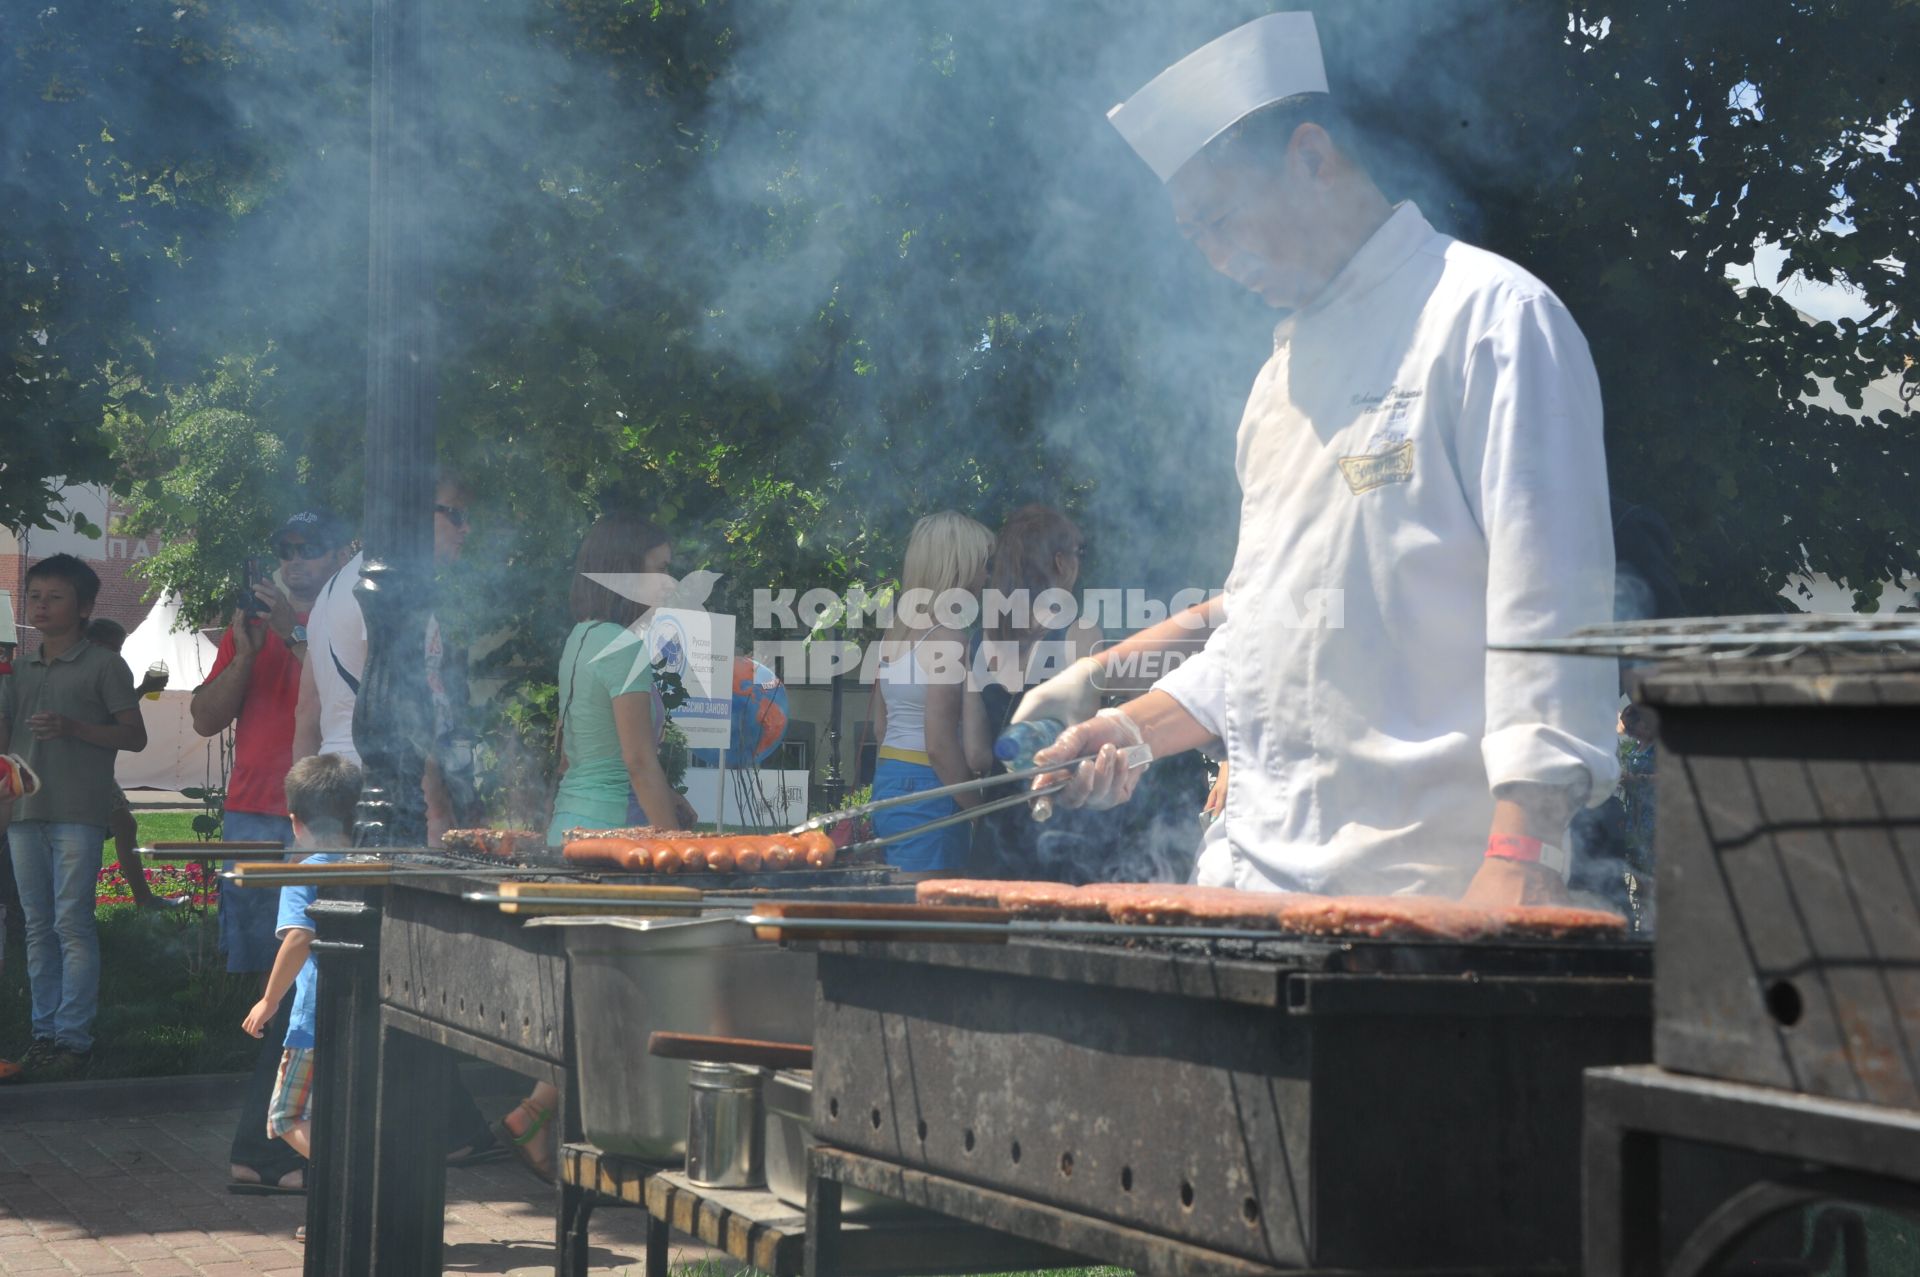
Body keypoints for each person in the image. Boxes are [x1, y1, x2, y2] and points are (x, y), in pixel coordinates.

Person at [1041, 13, 1619, 906]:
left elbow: (1551, 604)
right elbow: (1266, 635)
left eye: (1224, 220)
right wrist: (1125, 725)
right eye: (1197, 237)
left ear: (1312, 157)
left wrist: (1525, 853)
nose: (1220, 261)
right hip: (1247, 885)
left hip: (1422, 896)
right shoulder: (1276, 387)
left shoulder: (1490, 318)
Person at [191, 510, 354, 1193]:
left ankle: (268, 1146)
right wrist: (249, 649)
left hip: (309, 818)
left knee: (309, 983)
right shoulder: (260, 629)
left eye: (308, 549)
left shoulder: (336, 618)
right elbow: (204, 715)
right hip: (265, 817)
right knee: (284, 982)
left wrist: (291, 626)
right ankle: (267, 1148)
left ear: (339, 553)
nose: (294, 560)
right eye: (284, 549)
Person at [0, 554, 149, 1081]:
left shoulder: (105, 665)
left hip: (79, 813)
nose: (40, 605)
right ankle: (44, 1035)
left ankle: (75, 1039)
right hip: (24, 813)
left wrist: (73, 726)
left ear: (85, 607)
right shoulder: (17, 667)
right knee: (39, 927)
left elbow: (135, 736)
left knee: (72, 924)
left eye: (54, 596)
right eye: (34, 596)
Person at [293, 474, 469, 844]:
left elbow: (306, 713)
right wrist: (436, 811)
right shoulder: (392, 586)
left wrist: (304, 815)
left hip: (335, 790)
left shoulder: (333, 588)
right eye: (454, 515)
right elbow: (406, 712)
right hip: (390, 796)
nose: (464, 529)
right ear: (417, 514)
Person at [547, 514, 700, 843]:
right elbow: (639, 762)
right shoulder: (623, 647)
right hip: (613, 835)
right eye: (660, 569)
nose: (669, 582)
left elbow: (572, 756)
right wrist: (676, 847)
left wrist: (667, 795)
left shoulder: (581, 636)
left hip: (567, 828)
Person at [240, 753, 360, 1167]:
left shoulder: (303, 872)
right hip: (364, 1015)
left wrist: (269, 1001)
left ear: (296, 822)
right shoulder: (371, 866)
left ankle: (350, 1177)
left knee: (286, 1115)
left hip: (313, 1020)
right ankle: (339, 1212)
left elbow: (298, 937)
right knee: (343, 1112)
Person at [868, 511, 995, 872]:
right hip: (932, 789)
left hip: (890, 780)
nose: (987, 576)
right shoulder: (950, 639)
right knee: (929, 910)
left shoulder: (895, 634)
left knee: (904, 906)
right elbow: (939, 745)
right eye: (984, 564)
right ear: (960, 568)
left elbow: (881, 729)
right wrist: (981, 811)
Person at [80, 620, 179, 910]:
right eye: (115, 647)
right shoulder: (95, 670)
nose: (118, 655)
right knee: (95, 833)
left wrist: (142, 689)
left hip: (93, 767)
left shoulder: (97, 666)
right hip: (84, 768)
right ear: (97, 643)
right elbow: (107, 723)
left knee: (121, 825)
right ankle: (136, 900)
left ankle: (141, 899)